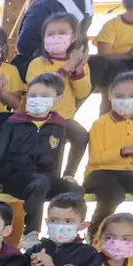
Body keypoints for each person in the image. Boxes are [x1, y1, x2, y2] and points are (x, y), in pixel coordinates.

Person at [0, 73, 83, 247]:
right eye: (33, 95)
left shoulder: (59, 125)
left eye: (44, 96)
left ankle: (66, 232)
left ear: (58, 98)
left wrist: (68, 174)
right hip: (15, 177)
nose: (36, 100)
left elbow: (75, 142)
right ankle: (30, 235)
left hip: (45, 177)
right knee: (39, 183)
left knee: (74, 190)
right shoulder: (14, 122)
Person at [27, 14, 92, 178]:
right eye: (50, 34)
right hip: (39, 116)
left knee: (81, 135)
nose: (55, 37)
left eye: (61, 33)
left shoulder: (80, 64)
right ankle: (52, 178)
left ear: (74, 37)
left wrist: (78, 71)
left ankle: (69, 175)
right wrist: (68, 66)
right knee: (54, 146)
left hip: (64, 118)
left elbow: (82, 93)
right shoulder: (38, 63)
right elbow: (43, 87)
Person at [83, 71, 133, 236]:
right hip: (99, 173)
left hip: (129, 172)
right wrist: (125, 151)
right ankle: (95, 232)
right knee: (114, 194)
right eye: (119, 95)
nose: (125, 100)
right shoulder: (100, 124)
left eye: (132, 95)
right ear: (110, 95)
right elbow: (96, 158)